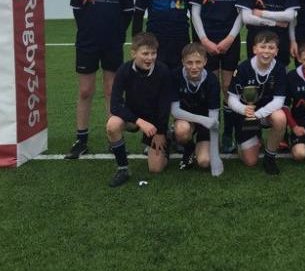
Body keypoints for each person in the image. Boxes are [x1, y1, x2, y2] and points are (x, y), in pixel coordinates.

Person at [65, 0, 134, 159]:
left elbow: (127, 14)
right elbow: (77, 11)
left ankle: (112, 137)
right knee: (85, 91)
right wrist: (87, 32)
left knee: (110, 91)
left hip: (112, 43)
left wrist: (116, 34)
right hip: (87, 43)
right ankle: (81, 139)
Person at [190, 0, 245, 155]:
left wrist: (230, 38)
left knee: (228, 87)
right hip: (207, 42)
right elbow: (194, 13)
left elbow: (242, 13)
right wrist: (204, 40)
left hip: (229, 41)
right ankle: (210, 131)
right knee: (211, 86)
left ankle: (228, 134)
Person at [105, 33, 171, 187]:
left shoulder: (163, 71)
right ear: (133, 53)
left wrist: (160, 132)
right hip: (133, 117)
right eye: (145, 53)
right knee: (112, 124)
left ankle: (168, 140)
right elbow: (115, 104)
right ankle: (123, 169)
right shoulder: (124, 70)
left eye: (153, 53)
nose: (149, 58)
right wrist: (138, 121)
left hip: (155, 122)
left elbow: (164, 106)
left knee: (156, 168)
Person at [227, 30, 288, 175]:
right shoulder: (243, 68)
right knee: (250, 161)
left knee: (280, 117)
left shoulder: (279, 69)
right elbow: (231, 98)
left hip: (265, 114)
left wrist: (259, 114)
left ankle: (270, 156)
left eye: (271, 48)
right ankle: (249, 138)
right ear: (254, 49)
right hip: (246, 115)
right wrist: (244, 110)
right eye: (263, 47)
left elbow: (279, 101)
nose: (266, 51)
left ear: (276, 51)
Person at [171, 42, 223, 175]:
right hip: (186, 120)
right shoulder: (175, 76)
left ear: (205, 61)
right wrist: (200, 119)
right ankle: (188, 148)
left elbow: (213, 121)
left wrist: (216, 157)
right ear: (183, 62)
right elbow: (175, 111)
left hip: (207, 124)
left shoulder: (212, 81)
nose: (194, 67)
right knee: (181, 130)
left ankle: (202, 147)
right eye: (189, 62)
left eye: (198, 62)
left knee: (204, 162)